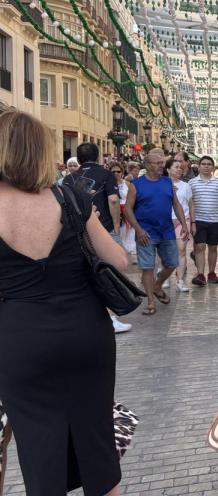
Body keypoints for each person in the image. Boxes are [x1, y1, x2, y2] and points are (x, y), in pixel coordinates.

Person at [0, 110, 128, 496]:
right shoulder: (70, 197)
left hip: (20, 336)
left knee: (38, 448)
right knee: (98, 444)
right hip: (85, 331)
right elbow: (119, 261)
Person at [66, 142, 132, 333]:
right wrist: (116, 224)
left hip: (78, 232)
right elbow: (113, 200)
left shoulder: (69, 179)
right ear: (98, 157)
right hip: (104, 229)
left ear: (79, 159)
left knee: (84, 272)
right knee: (112, 270)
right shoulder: (106, 175)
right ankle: (110, 316)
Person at [123, 150, 190, 315]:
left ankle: (157, 285)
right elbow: (128, 209)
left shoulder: (167, 182)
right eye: (158, 163)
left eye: (162, 163)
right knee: (147, 267)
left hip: (166, 230)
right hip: (146, 232)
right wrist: (138, 230)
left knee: (172, 263)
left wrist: (184, 223)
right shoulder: (136, 184)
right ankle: (151, 302)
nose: (161, 166)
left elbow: (176, 204)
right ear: (147, 165)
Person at [188, 156, 218, 286]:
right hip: (199, 219)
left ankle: (211, 273)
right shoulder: (192, 183)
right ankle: (200, 274)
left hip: (215, 220)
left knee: (213, 247)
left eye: (209, 164)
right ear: (199, 166)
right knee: (200, 246)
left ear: (213, 167)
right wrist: (192, 221)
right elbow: (190, 202)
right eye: (204, 164)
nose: (206, 166)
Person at [168, 159, 195, 293]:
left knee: (182, 250)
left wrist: (192, 222)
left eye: (180, 167)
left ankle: (180, 280)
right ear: (168, 169)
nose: (179, 169)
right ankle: (164, 277)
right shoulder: (162, 184)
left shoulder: (186, 186)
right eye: (176, 167)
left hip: (183, 221)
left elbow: (190, 204)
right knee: (164, 250)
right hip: (166, 221)